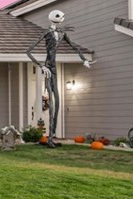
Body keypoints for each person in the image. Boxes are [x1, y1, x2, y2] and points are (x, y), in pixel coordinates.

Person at [26, 10, 92, 147]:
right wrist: (41, 66)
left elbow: (73, 46)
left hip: (55, 68)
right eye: (60, 16)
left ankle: (52, 137)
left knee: (58, 104)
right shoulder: (47, 33)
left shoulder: (62, 33)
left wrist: (83, 59)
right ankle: (49, 139)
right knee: (50, 104)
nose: (62, 18)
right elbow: (29, 51)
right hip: (48, 67)